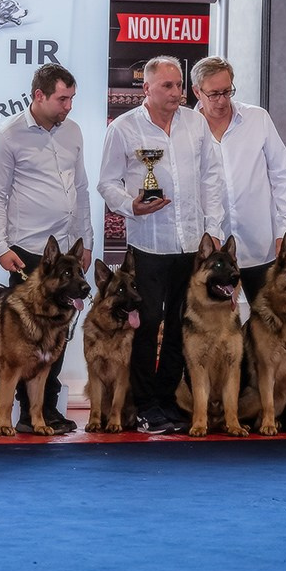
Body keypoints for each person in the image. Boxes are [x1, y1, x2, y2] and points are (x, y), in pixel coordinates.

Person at [98, 55, 226, 434]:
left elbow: (211, 179)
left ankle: (169, 400)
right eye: (167, 86)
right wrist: (130, 206)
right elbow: (107, 183)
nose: (177, 92)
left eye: (180, 85)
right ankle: (143, 403)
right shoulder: (123, 128)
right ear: (146, 88)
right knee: (144, 322)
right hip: (148, 245)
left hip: (192, 246)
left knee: (182, 326)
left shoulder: (196, 122)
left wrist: (214, 229)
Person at [0, 63, 93, 435]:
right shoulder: (9, 135)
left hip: (66, 252)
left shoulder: (73, 132)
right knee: (23, 343)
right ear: (39, 96)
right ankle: (23, 413)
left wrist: (86, 243)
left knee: (57, 336)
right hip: (26, 252)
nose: (69, 107)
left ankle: (44, 410)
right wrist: (0, 246)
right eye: (63, 99)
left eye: (72, 99)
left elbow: (80, 190)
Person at [191, 56, 286, 309]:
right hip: (213, 251)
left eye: (227, 91)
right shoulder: (187, 129)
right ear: (197, 91)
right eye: (214, 94)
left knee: (270, 323)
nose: (222, 101)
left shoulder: (258, 119)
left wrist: (285, 229)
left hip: (261, 245)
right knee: (216, 331)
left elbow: (283, 175)